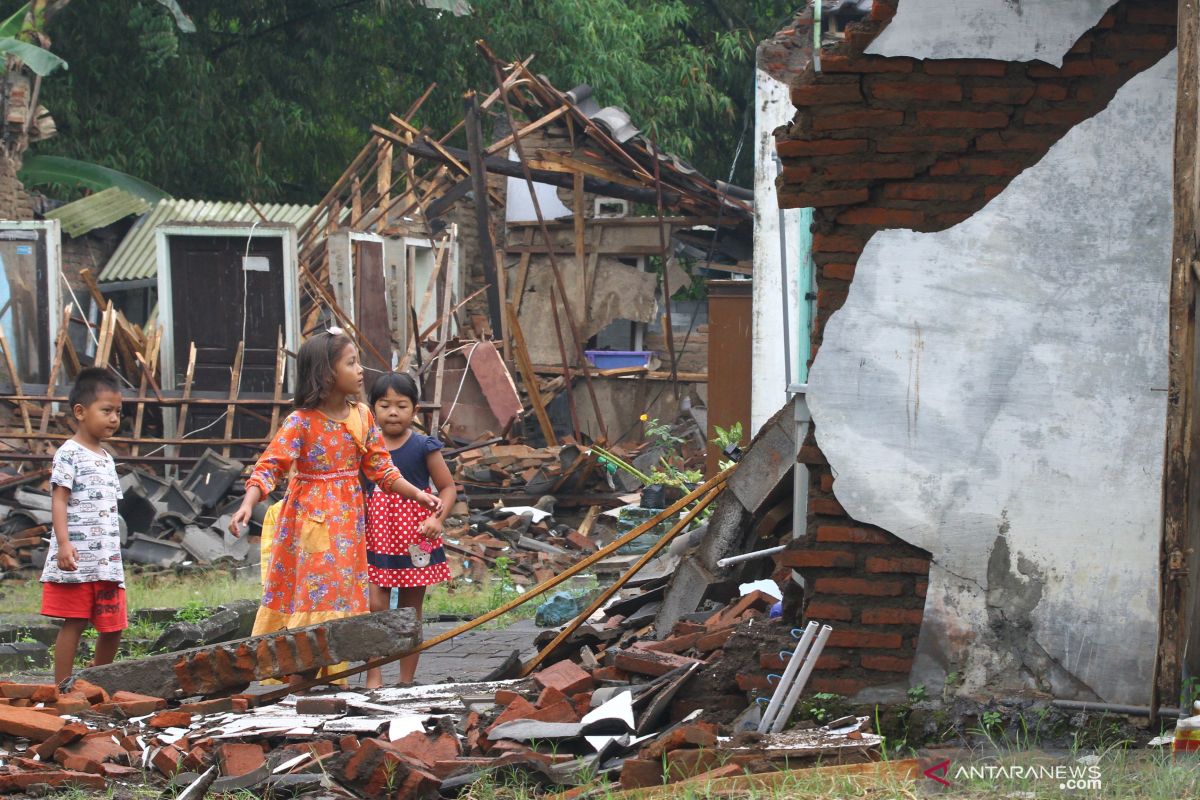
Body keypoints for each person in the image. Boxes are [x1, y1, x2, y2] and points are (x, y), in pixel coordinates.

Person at [228, 330, 440, 678]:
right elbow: (272, 464)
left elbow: (382, 468)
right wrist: (249, 501)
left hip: (349, 528)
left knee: (338, 599)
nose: (360, 370)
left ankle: (322, 680)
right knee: (316, 600)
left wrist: (417, 493)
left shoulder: (362, 417)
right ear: (327, 374)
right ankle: (301, 680)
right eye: (352, 362)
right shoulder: (302, 421)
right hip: (310, 522)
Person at [362, 372, 456, 689]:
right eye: (385, 405)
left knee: (410, 611)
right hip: (376, 535)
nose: (392, 412)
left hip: (415, 538)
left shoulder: (422, 446)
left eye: (401, 405)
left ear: (414, 410)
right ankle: (373, 677)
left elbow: (447, 488)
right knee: (375, 607)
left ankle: (405, 682)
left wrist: (437, 520)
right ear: (372, 409)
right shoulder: (366, 448)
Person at [41, 367, 126, 684]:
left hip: (107, 563)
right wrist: (64, 544)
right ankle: (62, 689)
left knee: (114, 626)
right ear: (80, 412)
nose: (114, 418)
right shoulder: (68, 454)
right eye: (106, 411)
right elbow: (60, 500)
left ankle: (92, 683)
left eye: (118, 412)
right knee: (74, 622)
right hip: (78, 561)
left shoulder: (106, 457)